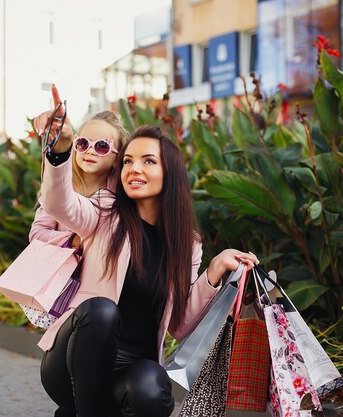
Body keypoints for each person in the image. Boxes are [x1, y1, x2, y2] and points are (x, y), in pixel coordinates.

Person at [34, 85, 259, 417]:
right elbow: (59, 203)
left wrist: (214, 271)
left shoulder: (186, 243)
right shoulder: (103, 212)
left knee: (153, 386)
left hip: (131, 368)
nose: (133, 168)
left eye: (147, 161)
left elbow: (178, 326)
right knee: (101, 311)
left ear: (169, 174)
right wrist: (62, 148)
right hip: (71, 363)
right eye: (127, 161)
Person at [29, 107, 129, 247]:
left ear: (116, 158)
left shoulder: (121, 192)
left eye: (101, 146)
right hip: (65, 266)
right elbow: (37, 234)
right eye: (83, 143)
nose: (90, 151)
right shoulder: (61, 186)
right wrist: (73, 241)